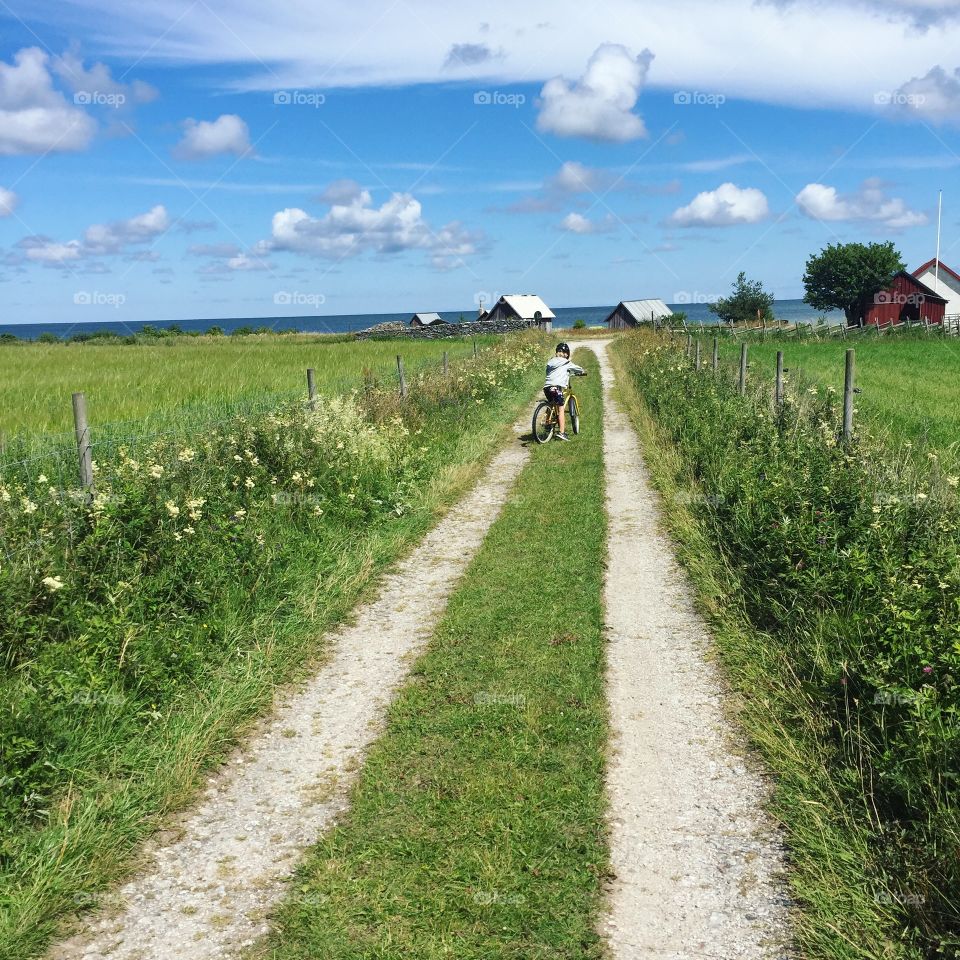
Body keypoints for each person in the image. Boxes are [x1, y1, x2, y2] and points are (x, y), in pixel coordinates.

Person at [543, 342, 586, 441]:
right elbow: (578, 369)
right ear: (566, 354)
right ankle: (562, 433)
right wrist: (582, 371)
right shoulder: (566, 362)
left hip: (547, 387)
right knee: (561, 408)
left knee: (551, 404)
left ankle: (547, 424)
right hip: (556, 388)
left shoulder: (550, 361)